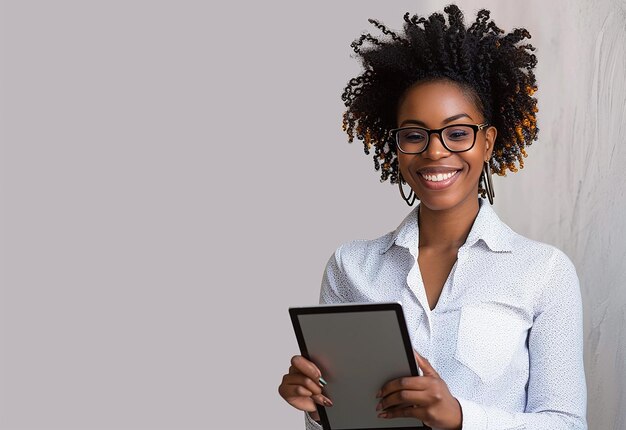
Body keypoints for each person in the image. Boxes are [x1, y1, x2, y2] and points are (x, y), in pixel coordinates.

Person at [278, 5, 587, 429]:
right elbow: (347, 421)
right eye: (414, 134)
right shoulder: (350, 267)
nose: (435, 151)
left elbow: (567, 424)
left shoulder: (544, 272)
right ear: (397, 146)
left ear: (488, 142)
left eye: (457, 132)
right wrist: (318, 411)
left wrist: (461, 416)